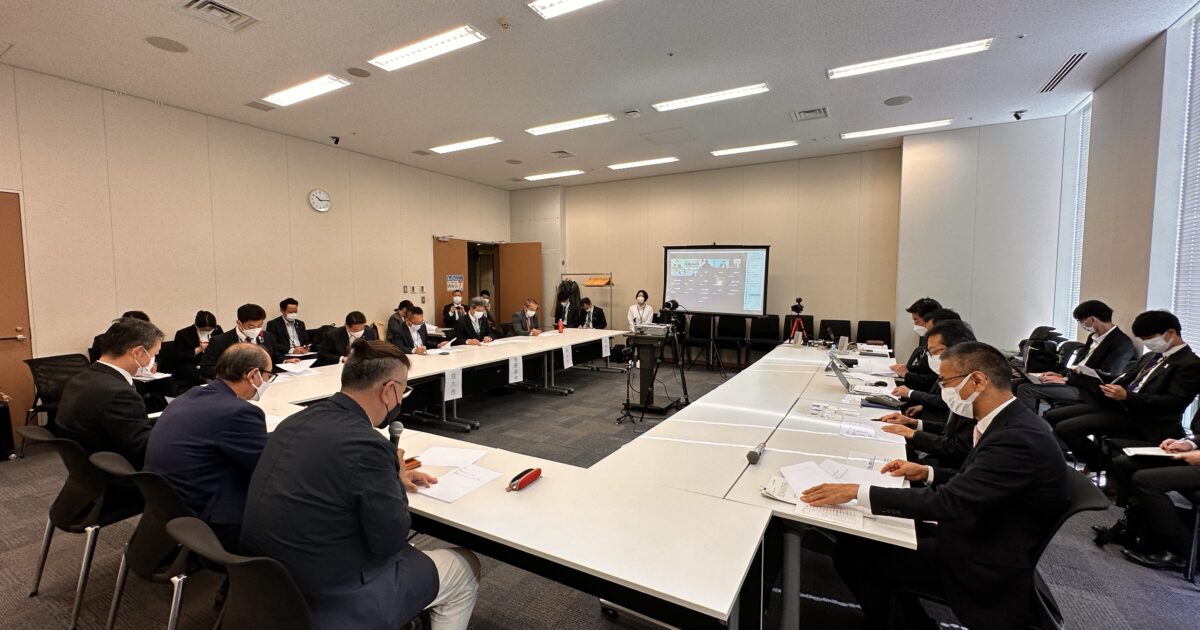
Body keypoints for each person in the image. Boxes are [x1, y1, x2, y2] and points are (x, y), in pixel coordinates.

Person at [801, 342, 1069, 630]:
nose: (942, 389)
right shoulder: (1010, 421)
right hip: (983, 527)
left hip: (984, 557)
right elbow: (978, 482)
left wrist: (857, 492)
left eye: (946, 382)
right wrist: (926, 471)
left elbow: (949, 503)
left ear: (978, 380)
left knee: (855, 554)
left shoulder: (1017, 438)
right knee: (869, 535)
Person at [241, 340, 480, 630]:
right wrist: (392, 473)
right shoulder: (369, 446)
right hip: (332, 598)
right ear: (389, 390)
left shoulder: (294, 423)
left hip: (266, 584)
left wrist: (390, 478)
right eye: (403, 390)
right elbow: (390, 542)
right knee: (465, 566)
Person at [145, 343, 272, 549]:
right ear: (253, 374)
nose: (267, 381)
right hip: (211, 516)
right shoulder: (239, 412)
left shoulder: (189, 395)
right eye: (268, 375)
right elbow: (268, 469)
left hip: (171, 504)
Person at [1053, 309, 1200, 472]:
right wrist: (1095, 376)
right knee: (1056, 416)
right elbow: (1126, 378)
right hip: (1120, 407)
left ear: (1171, 333)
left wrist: (1127, 397)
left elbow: (1173, 403)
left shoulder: (1189, 364)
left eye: (1149, 338)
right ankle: (1098, 464)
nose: (1146, 343)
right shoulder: (1152, 356)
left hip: (1146, 420)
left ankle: (1102, 465)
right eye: (1143, 339)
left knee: (1067, 428)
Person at [56, 317, 163, 468]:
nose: (152, 360)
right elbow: (143, 450)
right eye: (153, 354)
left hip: (89, 471)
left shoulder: (80, 379)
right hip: (121, 476)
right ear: (137, 352)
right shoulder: (120, 394)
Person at [880, 320, 978, 468]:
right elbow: (948, 429)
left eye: (934, 352)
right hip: (935, 454)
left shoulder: (970, 391)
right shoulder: (956, 382)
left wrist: (913, 434)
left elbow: (959, 448)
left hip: (941, 465)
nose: (931, 357)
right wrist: (912, 423)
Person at [1016, 300, 1135, 412]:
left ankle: (1027, 427)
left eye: (1080, 321)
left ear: (1092, 319)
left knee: (1026, 389)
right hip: (1073, 381)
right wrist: (1061, 374)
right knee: (1018, 383)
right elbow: (1080, 364)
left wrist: (1065, 380)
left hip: (1087, 390)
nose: (1081, 324)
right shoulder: (1093, 337)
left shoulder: (1121, 344)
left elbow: (1105, 377)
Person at [201, 304, 290, 378]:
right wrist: (233, 375)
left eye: (260, 325)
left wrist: (285, 361)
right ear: (239, 323)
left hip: (265, 382)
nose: (256, 329)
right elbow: (207, 368)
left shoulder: (268, 337)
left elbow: (275, 358)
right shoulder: (220, 341)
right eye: (251, 326)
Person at [889, 297, 941, 390]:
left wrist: (907, 374)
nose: (915, 324)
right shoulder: (928, 338)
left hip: (922, 396)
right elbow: (924, 369)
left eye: (916, 320)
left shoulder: (941, 345)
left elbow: (934, 380)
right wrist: (905, 368)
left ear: (929, 319)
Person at [172, 310, 223, 386]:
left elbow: (223, 346)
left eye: (210, 330)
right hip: (192, 365)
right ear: (197, 326)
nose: (208, 332)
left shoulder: (217, 329)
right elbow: (178, 356)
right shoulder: (183, 334)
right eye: (205, 330)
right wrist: (199, 349)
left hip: (211, 363)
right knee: (203, 377)